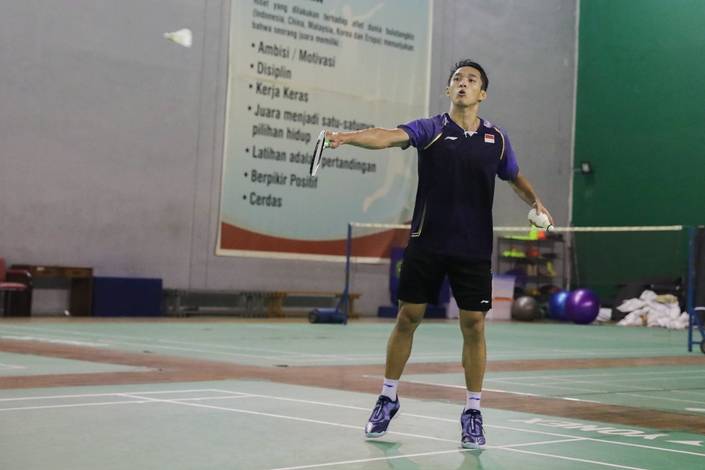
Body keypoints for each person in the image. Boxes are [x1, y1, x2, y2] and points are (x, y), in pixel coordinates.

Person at [325, 59, 553, 449]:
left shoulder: (496, 140)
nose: (463, 84)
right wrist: (347, 137)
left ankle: (473, 411)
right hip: (427, 241)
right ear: (448, 91)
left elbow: (513, 175)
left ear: (482, 94)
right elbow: (387, 136)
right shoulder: (431, 129)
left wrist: (536, 201)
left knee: (474, 326)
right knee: (408, 317)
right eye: (456, 80)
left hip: (473, 246)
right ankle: (388, 396)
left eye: (471, 80)